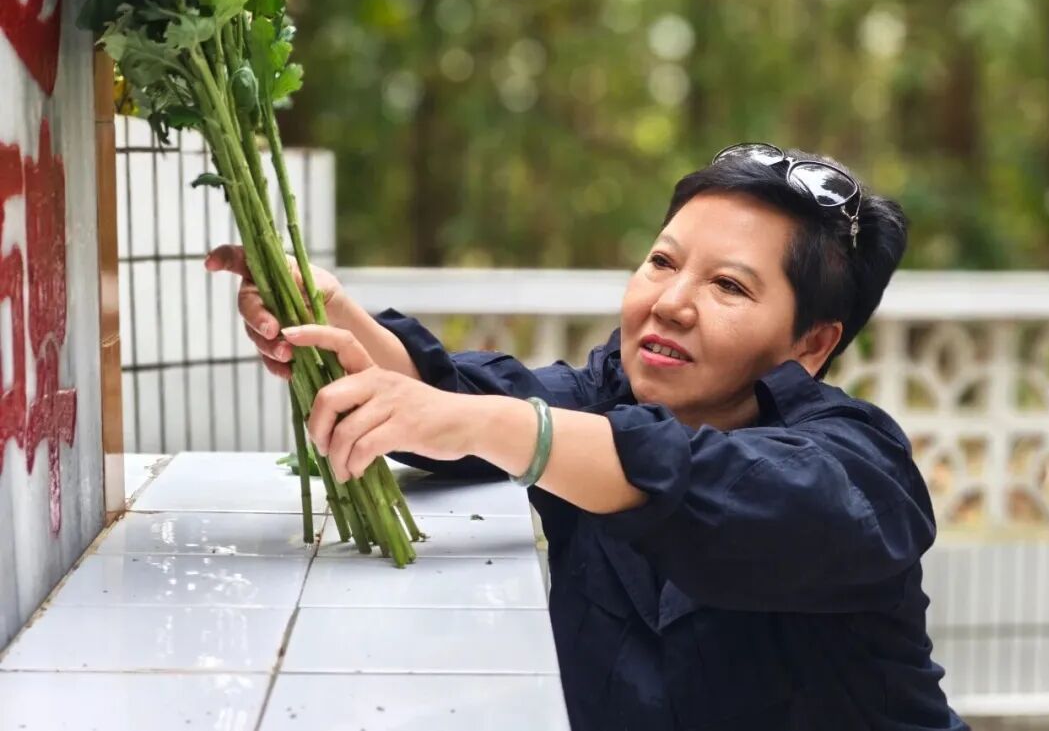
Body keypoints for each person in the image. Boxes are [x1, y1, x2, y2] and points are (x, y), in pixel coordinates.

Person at [206, 143, 969, 730]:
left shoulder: (860, 470)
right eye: (662, 261)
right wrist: (334, 316)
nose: (670, 301)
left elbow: (718, 484)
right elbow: (456, 403)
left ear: (812, 342)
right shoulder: (604, 397)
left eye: (728, 285)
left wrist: (502, 427)